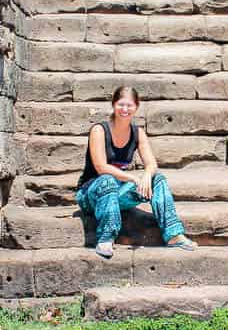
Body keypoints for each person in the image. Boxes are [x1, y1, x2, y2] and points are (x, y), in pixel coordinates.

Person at [76, 86, 196, 258]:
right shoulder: (99, 130)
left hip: (118, 193)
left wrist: (147, 175)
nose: (125, 109)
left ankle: (173, 234)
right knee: (108, 179)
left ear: (136, 107)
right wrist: (133, 178)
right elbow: (101, 167)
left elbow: (152, 163)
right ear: (113, 105)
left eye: (129, 105)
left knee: (158, 179)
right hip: (91, 195)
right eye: (121, 104)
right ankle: (106, 238)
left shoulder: (137, 133)